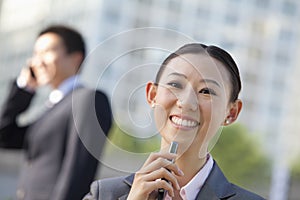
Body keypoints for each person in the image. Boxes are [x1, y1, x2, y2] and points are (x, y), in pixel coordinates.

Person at [83, 43, 265, 200]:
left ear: (231, 112)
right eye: (175, 84)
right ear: (152, 95)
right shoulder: (103, 194)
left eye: (206, 91)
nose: (186, 102)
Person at [0, 25, 112, 200]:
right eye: (36, 53)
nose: (37, 61)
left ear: (75, 58)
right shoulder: (51, 107)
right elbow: (4, 136)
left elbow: (78, 171)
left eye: (47, 52)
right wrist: (24, 89)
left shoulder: (88, 99)